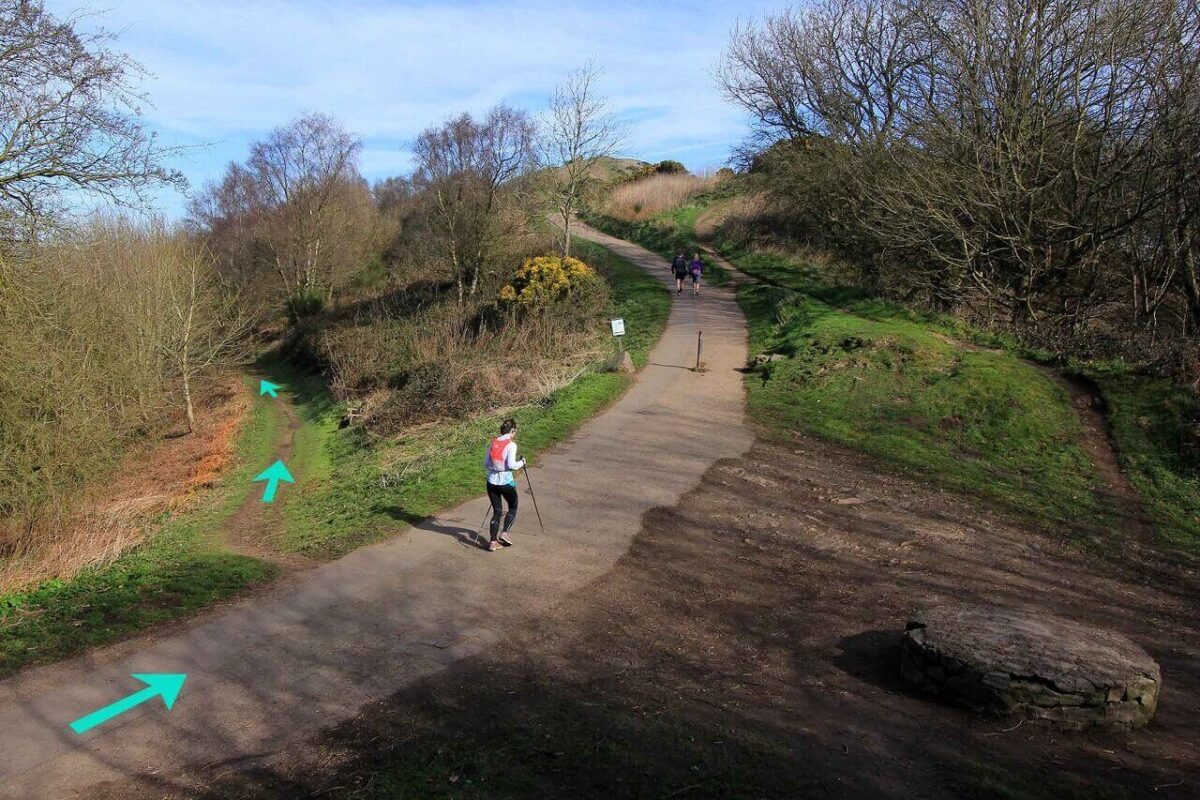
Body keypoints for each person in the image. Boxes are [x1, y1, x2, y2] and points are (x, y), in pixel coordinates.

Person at [483, 417, 525, 551]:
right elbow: (512, 465)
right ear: (512, 431)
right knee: (513, 506)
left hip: (491, 482)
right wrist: (522, 462)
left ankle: (493, 542)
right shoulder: (511, 445)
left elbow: (486, 463)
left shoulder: (494, 442)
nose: (514, 435)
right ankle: (505, 533)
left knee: (497, 511)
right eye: (515, 432)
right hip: (506, 482)